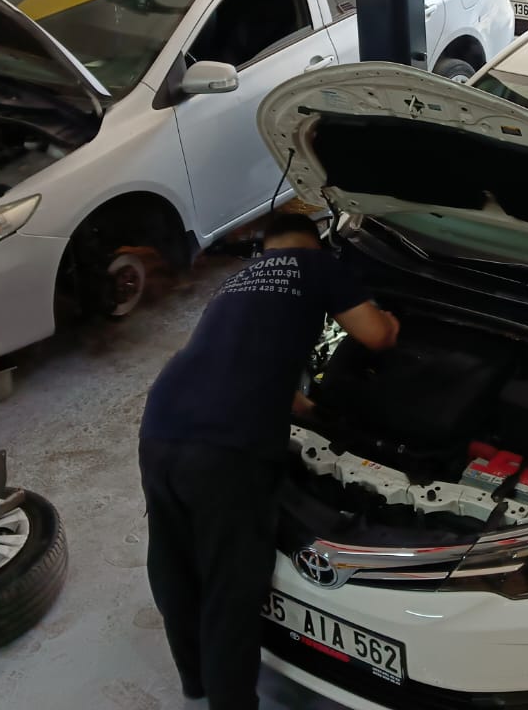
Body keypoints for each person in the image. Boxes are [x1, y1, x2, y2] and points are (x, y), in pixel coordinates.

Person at [137, 213, 400, 707]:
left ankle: (194, 681)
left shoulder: (237, 281)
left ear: (266, 248)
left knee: (174, 560)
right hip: (225, 449)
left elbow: (246, 363)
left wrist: (317, 414)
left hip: (161, 424)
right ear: (314, 244)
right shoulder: (318, 266)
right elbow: (376, 336)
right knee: (231, 582)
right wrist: (391, 324)